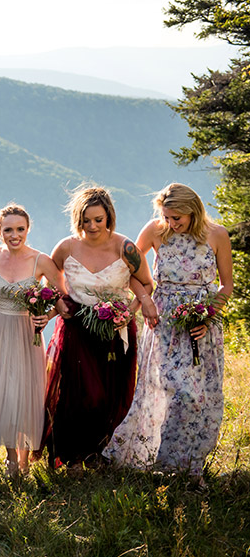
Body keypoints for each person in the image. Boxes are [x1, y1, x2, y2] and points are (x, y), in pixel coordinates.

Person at [104, 183, 233, 490]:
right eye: (167, 217)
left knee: (197, 397)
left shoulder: (217, 235)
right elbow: (131, 272)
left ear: (194, 212)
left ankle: (190, 467)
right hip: (163, 322)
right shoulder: (155, 231)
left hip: (200, 324)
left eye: (178, 218)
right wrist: (145, 301)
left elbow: (226, 286)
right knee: (173, 391)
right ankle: (165, 463)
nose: (172, 224)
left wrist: (207, 316)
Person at [42, 187, 153, 472]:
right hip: (77, 326)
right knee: (79, 393)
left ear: (109, 218)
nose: (91, 226)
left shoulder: (125, 247)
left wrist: (129, 312)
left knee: (110, 393)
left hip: (116, 329)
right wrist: (58, 303)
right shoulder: (66, 247)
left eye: (98, 220)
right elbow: (51, 282)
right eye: (86, 220)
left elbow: (146, 284)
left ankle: (101, 454)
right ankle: (72, 457)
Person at [0, 204, 61, 478]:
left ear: (27, 229)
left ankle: (24, 457)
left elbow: (61, 296)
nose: (14, 234)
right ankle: (11, 460)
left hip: (25, 333)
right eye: (8, 229)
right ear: (0, 231)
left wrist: (47, 316)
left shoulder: (40, 261)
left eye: (20, 229)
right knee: (2, 393)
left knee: (23, 392)